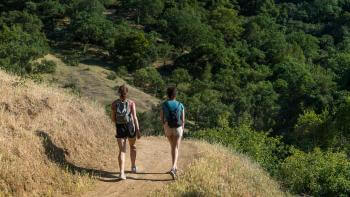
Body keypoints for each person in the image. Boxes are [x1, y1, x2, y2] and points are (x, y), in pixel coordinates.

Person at [111, 84, 141, 180]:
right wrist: (138, 130)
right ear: (127, 93)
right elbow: (135, 117)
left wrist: (118, 123)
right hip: (130, 127)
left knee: (122, 151)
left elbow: (113, 118)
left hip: (120, 127)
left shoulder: (114, 103)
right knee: (133, 146)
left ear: (119, 93)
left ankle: (121, 173)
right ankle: (133, 166)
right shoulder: (131, 103)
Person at [160, 87, 185, 179]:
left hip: (168, 127)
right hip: (178, 127)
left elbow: (162, 118)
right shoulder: (180, 104)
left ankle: (175, 167)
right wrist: (182, 128)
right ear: (175, 94)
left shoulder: (164, 104)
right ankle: (173, 168)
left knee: (173, 147)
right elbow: (183, 119)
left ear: (167, 94)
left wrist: (164, 125)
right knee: (176, 147)